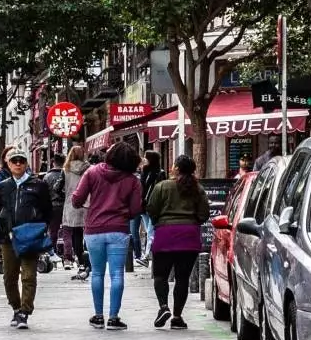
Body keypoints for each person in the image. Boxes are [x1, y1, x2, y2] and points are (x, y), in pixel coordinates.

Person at [71, 138, 143, 329]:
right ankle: (113, 317)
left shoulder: (92, 172)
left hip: (94, 229)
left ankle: (98, 316)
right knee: (117, 273)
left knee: (97, 273)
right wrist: (122, 213)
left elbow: (77, 200)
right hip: (119, 230)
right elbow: (136, 209)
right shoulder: (132, 180)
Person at [147, 152, 212, 329]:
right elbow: (204, 213)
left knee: (160, 275)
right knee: (182, 278)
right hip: (189, 236)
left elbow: (151, 209)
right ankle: (177, 316)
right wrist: (192, 223)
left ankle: (163, 306)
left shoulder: (162, 187)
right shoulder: (198, 189)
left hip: (165, 235)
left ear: (176, 168)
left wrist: (159, 222)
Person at [0, 147, 55, 329]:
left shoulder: (38, 185)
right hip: (8, 237)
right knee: (9, 276)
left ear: (26, 163)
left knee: (29, 275)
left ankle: (25, 311)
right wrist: (2, 226)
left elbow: (47, 210)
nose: (18, 164)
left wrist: (40, 227)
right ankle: (15, 307)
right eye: (15, 161)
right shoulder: (2, 186)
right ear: (8, 163)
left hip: (30, 236)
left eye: (21, 160)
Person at [59, 142, 89, 275]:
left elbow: (57, 188)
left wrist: (65, 194)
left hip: (69, 203)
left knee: (67, 232)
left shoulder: (65, 170)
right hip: (83, 204)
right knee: (78, 234)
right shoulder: (88, 169)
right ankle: (81, 262)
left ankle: (67, 259)